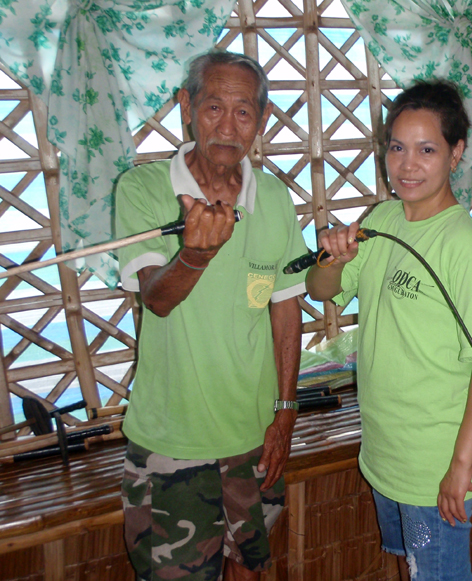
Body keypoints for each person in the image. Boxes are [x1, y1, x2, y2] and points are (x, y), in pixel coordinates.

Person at [305, 80, 472, 581]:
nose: (407, 165)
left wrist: (461, 464)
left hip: (435, 462)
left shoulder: (465, 246)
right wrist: (334, 259)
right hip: (386, 452)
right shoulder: (381, 219)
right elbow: (320, 288)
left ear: (456, 152)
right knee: (410, 568)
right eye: (397, 148)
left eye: (426, 149)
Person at [115, 51, 308, 581]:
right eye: (214, 107)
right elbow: (156, 297)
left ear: (261, 120)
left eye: (243, 112)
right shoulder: (144, 189)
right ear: (187, 107)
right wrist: (195, 253)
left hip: (255, 438)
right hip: (171, 448)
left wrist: (286, 411)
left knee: (251, 569)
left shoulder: (273, 196)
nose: (228, 126)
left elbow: (286, 305)